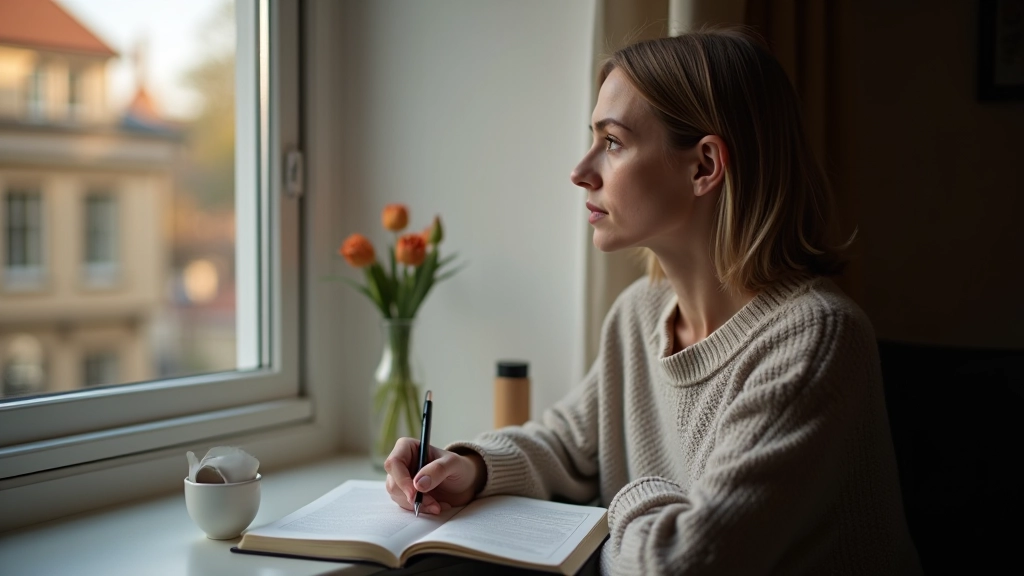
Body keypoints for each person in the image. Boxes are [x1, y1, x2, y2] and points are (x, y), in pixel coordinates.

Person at [384, 27, 921, 575]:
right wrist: (469, 467)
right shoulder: (638, 314)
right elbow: (569, 445)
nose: (580, 171)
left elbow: (679, 563)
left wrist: (614, 507)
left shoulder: (815, 340)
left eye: (612, 142)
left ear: (704, 167)